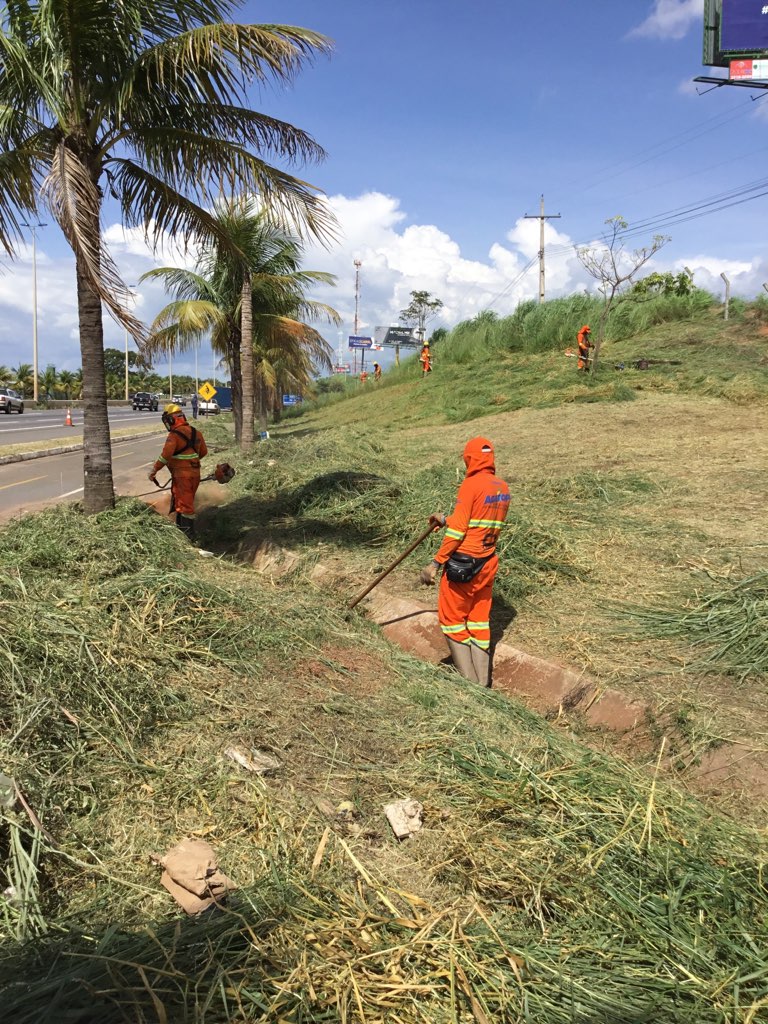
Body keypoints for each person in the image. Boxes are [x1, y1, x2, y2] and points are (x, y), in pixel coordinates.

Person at [419, 437, 510, 686]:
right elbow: (478, 522)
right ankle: (483, 683)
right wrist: (446, 518)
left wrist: (435, 564)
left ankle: (470, 685)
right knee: (479, 621)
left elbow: (459, 532)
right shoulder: (502, 487)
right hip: (487, 563)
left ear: (469, 459)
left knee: (451, 620)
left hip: (463, 567)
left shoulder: (471, 485)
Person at [149, 403, 208, 540]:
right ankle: (181, 530)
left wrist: (154, 471)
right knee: (182, 501)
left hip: (183, 476)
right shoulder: (196, 433)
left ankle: (188, 537)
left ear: (171, 420)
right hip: (195, 474)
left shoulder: (174, 436)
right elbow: (203, 452)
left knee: (185, 505)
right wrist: (190, 461)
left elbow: (165, 456)